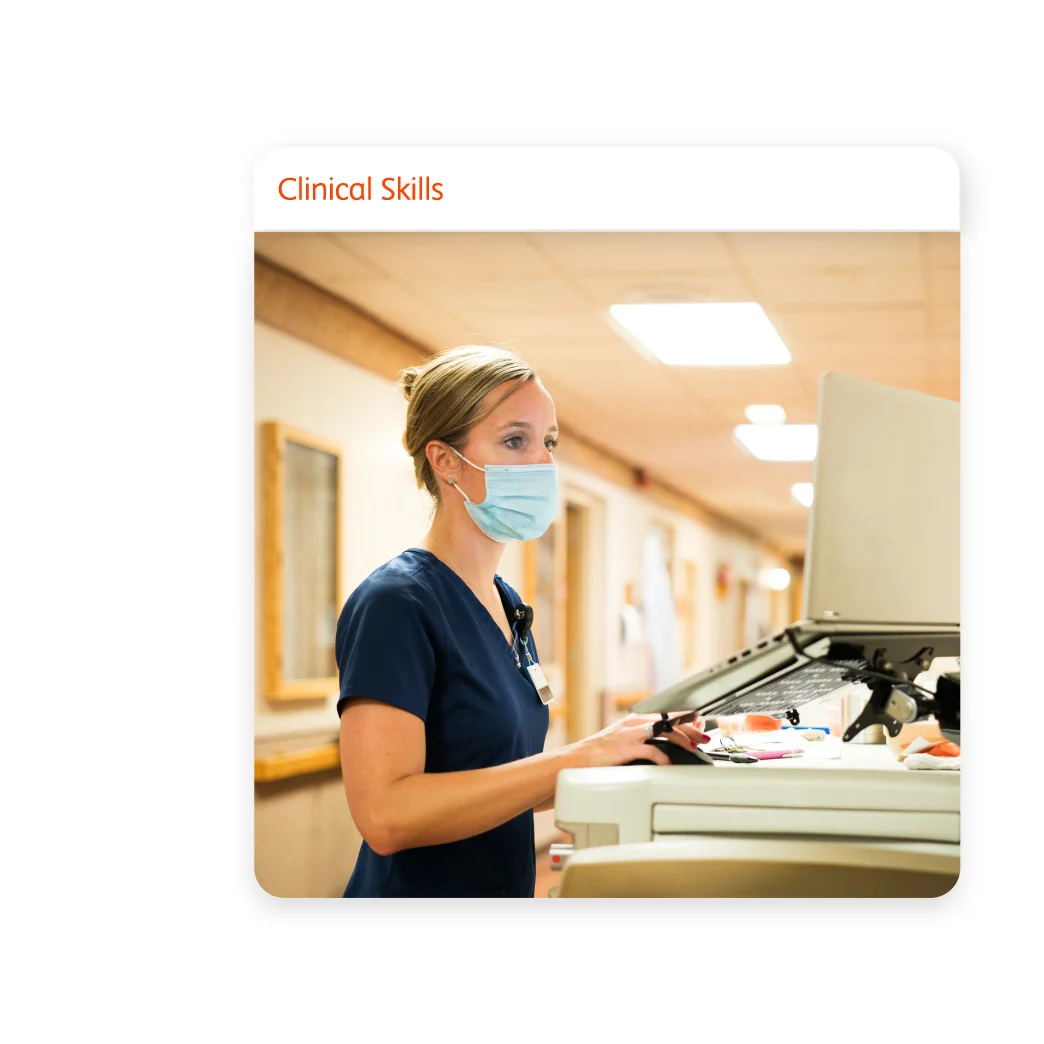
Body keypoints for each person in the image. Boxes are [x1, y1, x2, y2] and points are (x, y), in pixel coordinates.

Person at [336, 345, 708, 897]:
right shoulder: (398, 603)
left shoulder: (507, 606)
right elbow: (387, 816)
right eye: (515, 441)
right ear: (445, 460)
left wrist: (622, 751)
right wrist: (581, 756)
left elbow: (494, 781)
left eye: (548, 442)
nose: (542, 462)